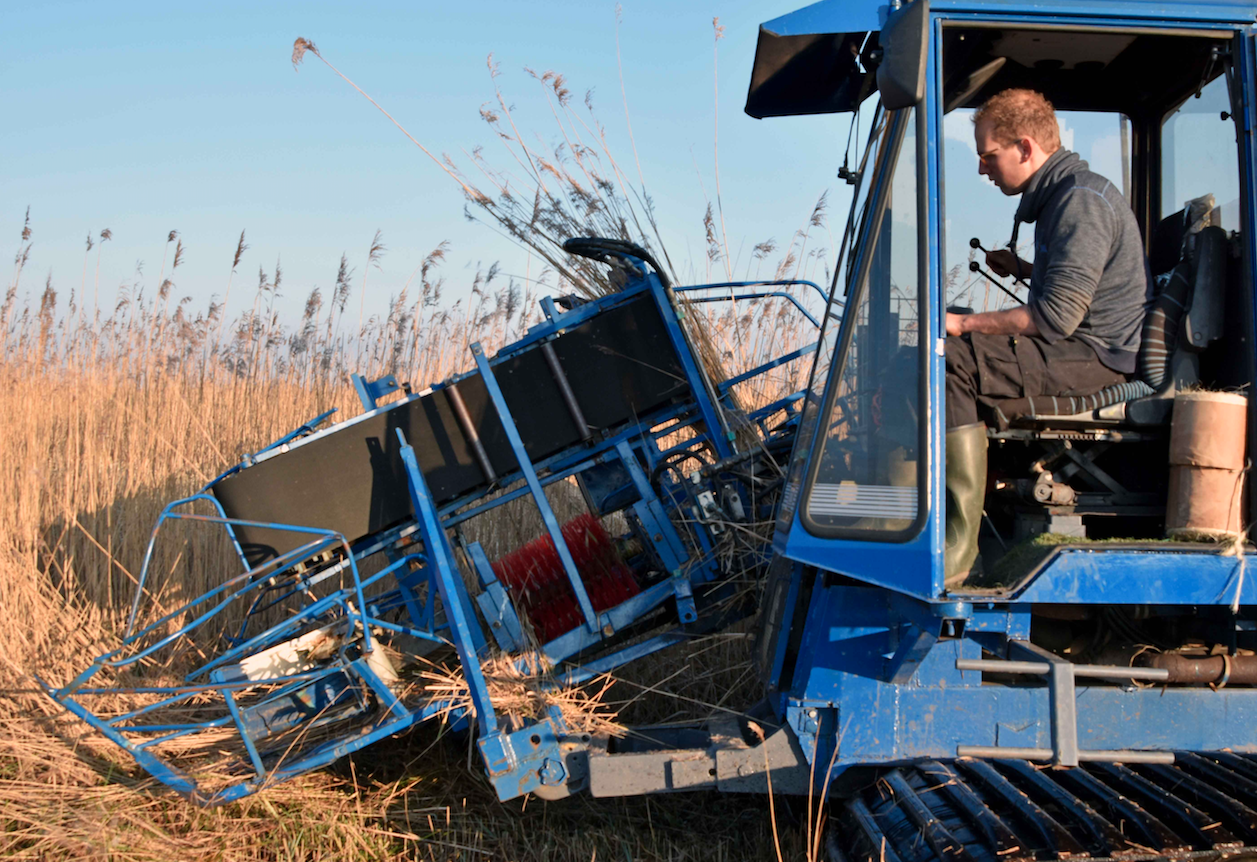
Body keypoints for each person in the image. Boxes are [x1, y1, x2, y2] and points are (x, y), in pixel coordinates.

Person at [943, 88, 1151, 585]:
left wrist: (965, 325)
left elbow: (1056, 318)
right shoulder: (1066, 196)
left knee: (951, 359)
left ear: (1026, 147)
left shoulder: (1081, 201)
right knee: (952, 334)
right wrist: (1023, 269)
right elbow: (1077, 291)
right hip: (1085, 345)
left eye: (988, 156)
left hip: (1098, 357)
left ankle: (953, 558)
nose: (982, 169)